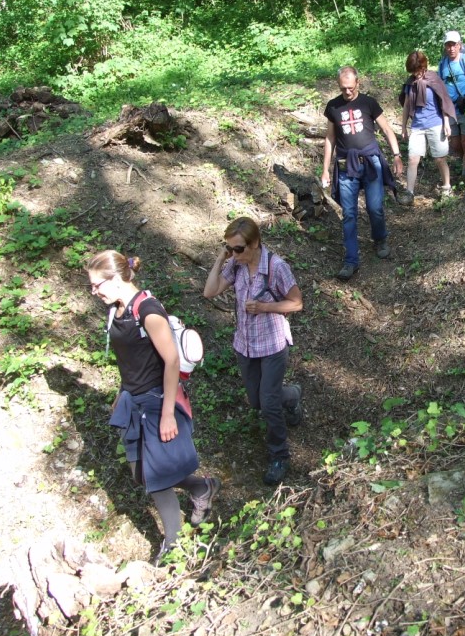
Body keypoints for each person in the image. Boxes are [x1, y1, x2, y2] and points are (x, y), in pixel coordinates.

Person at [86, 251, 219, 565]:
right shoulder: (118, 310)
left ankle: (173, 545)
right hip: (134, 400)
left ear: (116, 279)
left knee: (156, 478)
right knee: (140, 472)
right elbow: (130, 360)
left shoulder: (149, 311)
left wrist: (169, 412)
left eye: (97, 285)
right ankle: (202, 487)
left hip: (158, 401)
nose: (94, 292)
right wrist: (122, 391)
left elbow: (171, 360)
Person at [203, 217, 304, 486]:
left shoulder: (275, 267)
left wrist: (264, 307)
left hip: (272, 345)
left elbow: (296, 303)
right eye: (230, 248)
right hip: (245, 345)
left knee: (268, 404)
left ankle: (279, 456)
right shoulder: (235, 266)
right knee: (257, 400)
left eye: (238, 249)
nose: (234, 254)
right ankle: (292, 395)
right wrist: (220, 258)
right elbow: (209, 291)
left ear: (255, 242)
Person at [321, 65, 404, 281]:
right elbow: (330, 139)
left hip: (370, 162)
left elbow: (386, 129)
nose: (347, 92)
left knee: (375, 207)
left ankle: (380, 239)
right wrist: (325, 170)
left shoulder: (369, 103)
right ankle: (351, 260)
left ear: (358, 83)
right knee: (349, 214)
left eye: (350, 87)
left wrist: (396, 156)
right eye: (342, 88)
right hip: (345, 165)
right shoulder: (333, 107)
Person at [399, 50, 457, 199]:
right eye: (413, 71)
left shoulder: (434, 79)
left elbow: (443, 101)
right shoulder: (410, 83)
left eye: (418, 70)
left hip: (436, 123)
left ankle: (446, 188)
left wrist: (446, 123)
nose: (416, 74)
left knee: (439, 158)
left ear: (424, 67)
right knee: (413, 159)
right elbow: (406, 106)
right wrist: (404, 126)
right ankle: (409, 193)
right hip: (417, 125)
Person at [438, 30, 465, 184]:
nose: (451, 48)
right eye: (448, 45)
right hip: (450, 110)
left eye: (454, 45)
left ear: (459, 45)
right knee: (455, 144)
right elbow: (441, 88)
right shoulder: (442, 64)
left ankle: (464, 176)